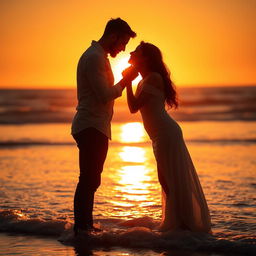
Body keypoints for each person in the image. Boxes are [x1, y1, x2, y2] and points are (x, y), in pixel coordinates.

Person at [123, 41, 212, 233]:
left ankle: (181, 223)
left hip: (166, 133)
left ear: (145, 58)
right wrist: (130, 82)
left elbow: (133, 107)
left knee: (169, 178)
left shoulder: (153, 78)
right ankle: (178, 221)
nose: (131, 51)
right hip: (159, 135)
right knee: (166, 178)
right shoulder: (144, 80)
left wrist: (127, 83)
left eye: (136, 51)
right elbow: (135, 107)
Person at [71, 18, 137, 236]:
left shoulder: (98, 56)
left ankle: (84, 227)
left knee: (91, 179)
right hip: (91, 125)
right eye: (123, 42)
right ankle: (82, 229)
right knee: (89, 179)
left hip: (94, 125)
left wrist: (123, 81)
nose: (124, 48)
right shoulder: (94, 58)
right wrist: (125, 81)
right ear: (113, 36)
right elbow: (103, 95)